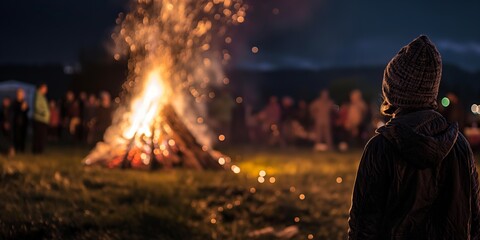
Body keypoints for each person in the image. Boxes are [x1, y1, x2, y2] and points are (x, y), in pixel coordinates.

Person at [348, 35, 480, 239]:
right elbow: (474, 218)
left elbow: (363, 226)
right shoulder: (459, 144)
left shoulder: (381, 146)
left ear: (393, 89)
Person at [32, 83, 50, 154]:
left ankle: (39, 150)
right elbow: (37, 107)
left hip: (42, 119)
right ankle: (37, 151)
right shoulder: (38, 96)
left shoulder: (41, 96)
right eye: (45, 88)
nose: (46, 90)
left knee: (41, 136)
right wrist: (44, 113)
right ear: (41, 88)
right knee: (39, 136)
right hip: (39, 119)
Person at [12, 88, 29, 153]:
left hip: (24, 121)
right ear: (17, 94)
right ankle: (16, 148)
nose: (21, 95)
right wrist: (21, 108)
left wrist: (26, 108)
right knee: (17, 135)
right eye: (20, 94)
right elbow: (15, 111)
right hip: (17, 121)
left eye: (22, 94)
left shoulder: (24, 102)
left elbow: (27, 110)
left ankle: (22, 149)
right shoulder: (15, 102)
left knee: (23, 135)